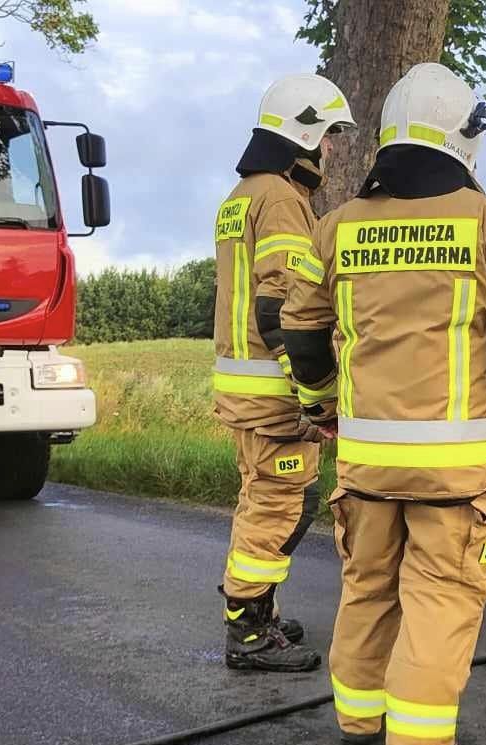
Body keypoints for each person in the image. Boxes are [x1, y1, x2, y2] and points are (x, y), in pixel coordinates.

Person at [282, 62, 486, 745]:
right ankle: (419, 744)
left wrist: (320, 408)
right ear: (465, 140)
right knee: (441, 592)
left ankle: (357, 717)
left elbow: (303, 333)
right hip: (454, 465)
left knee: (368, 583)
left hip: (366, 463)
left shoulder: (338, 227)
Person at [209, 72, 355, 672]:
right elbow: (283, 304)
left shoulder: (242, 195)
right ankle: (247, 628)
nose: (331, 149)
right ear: (306, 131)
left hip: (245, 390)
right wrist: (310, 389)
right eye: (329, 136)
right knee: (280, 504)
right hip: (274, 396)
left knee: (262, 499)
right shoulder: (280, 200)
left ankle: (260, 610)